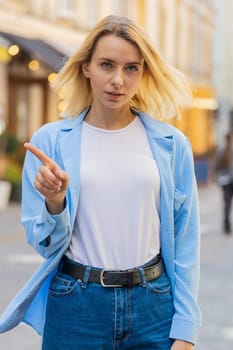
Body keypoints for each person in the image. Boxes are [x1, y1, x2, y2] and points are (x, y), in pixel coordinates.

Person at [0, 15, 201, 349]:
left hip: (153, 306)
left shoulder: (171, 144)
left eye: (131, 68)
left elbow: (186, 244)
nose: (118, 80)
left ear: (143, 73)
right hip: (76, 306)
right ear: (86, 68)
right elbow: (42, 243)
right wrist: (55, 203)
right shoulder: (50, 143)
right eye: (107, 65)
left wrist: (186, 330)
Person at [216, 132, 233, 234]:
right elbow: (217, 166)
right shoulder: (222, 151)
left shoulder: (221, 151)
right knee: (227, 204)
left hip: (226, 181)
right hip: (226, 181)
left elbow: (216, 166)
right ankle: (226, 224)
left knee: (227, 204)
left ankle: (227, 224)